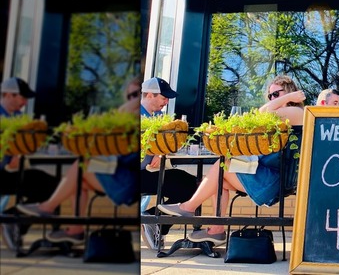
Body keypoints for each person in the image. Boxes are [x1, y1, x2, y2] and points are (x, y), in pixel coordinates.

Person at [156, 75, 305, 246]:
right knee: (220, 180)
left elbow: (261, 113)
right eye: (270, 96)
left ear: (289, 92)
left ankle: (188, 207)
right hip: (269, 178)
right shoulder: (284, 116)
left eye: (276, 94)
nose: (273, 99)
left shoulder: (295, 112)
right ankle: (216, 230)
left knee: (223, 166)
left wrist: (288, 98)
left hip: (273, 182)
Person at [14, 81, 141, 245]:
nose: (133, 100)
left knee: (83, 165)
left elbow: (121, 113)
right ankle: (75, 229)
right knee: (79, 181)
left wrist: (133, 104)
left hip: (130, 183)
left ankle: (47, 207)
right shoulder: (127, 126)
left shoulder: (141, 119)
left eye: (136, 94)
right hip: (120, 176)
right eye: (130, 96)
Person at [135, 77, 197, 250]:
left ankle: (154, 219)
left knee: (192, 184)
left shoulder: (160, 118)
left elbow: (165, 145)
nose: (167, 102)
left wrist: (160, 152)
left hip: (151, 172)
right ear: (149, 95)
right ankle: (154, 221)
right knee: (188, 185)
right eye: (163, 97)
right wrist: (154, 151)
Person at [0, 77, 59, 250]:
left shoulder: (18, 118)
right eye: (22, 97)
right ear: (9, 95)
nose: (25, 102)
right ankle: (12, 221)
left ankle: (13, 220)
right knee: (48, 185)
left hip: (11, 172)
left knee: (53, 185)